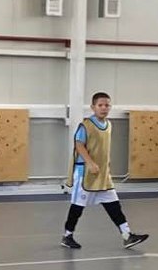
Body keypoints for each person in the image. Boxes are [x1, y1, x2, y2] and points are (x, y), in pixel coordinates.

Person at [61, 92, 149, 250]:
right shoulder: (86, 125)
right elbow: (79, 145)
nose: (104, 108)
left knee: (114, 205)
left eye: (107, 105)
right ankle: (67, 236)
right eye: (100, 105)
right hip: (85, 173)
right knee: (77, 207)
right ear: (93, 107)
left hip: (103, 175)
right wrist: (90, 162)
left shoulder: (109, 125)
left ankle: (127, 235)